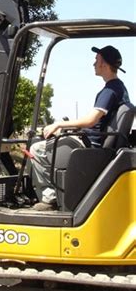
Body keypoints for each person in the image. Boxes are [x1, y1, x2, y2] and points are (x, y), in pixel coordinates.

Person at [30, 45, 130, 211]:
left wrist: (59, 124)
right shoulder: (119, 88)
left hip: (90, 144)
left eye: (96, 60)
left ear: (104, 65)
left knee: (36, 149)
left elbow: (91, 121)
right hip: (94, 140)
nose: (93, 64)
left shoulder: (110, 90)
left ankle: (50, 199)